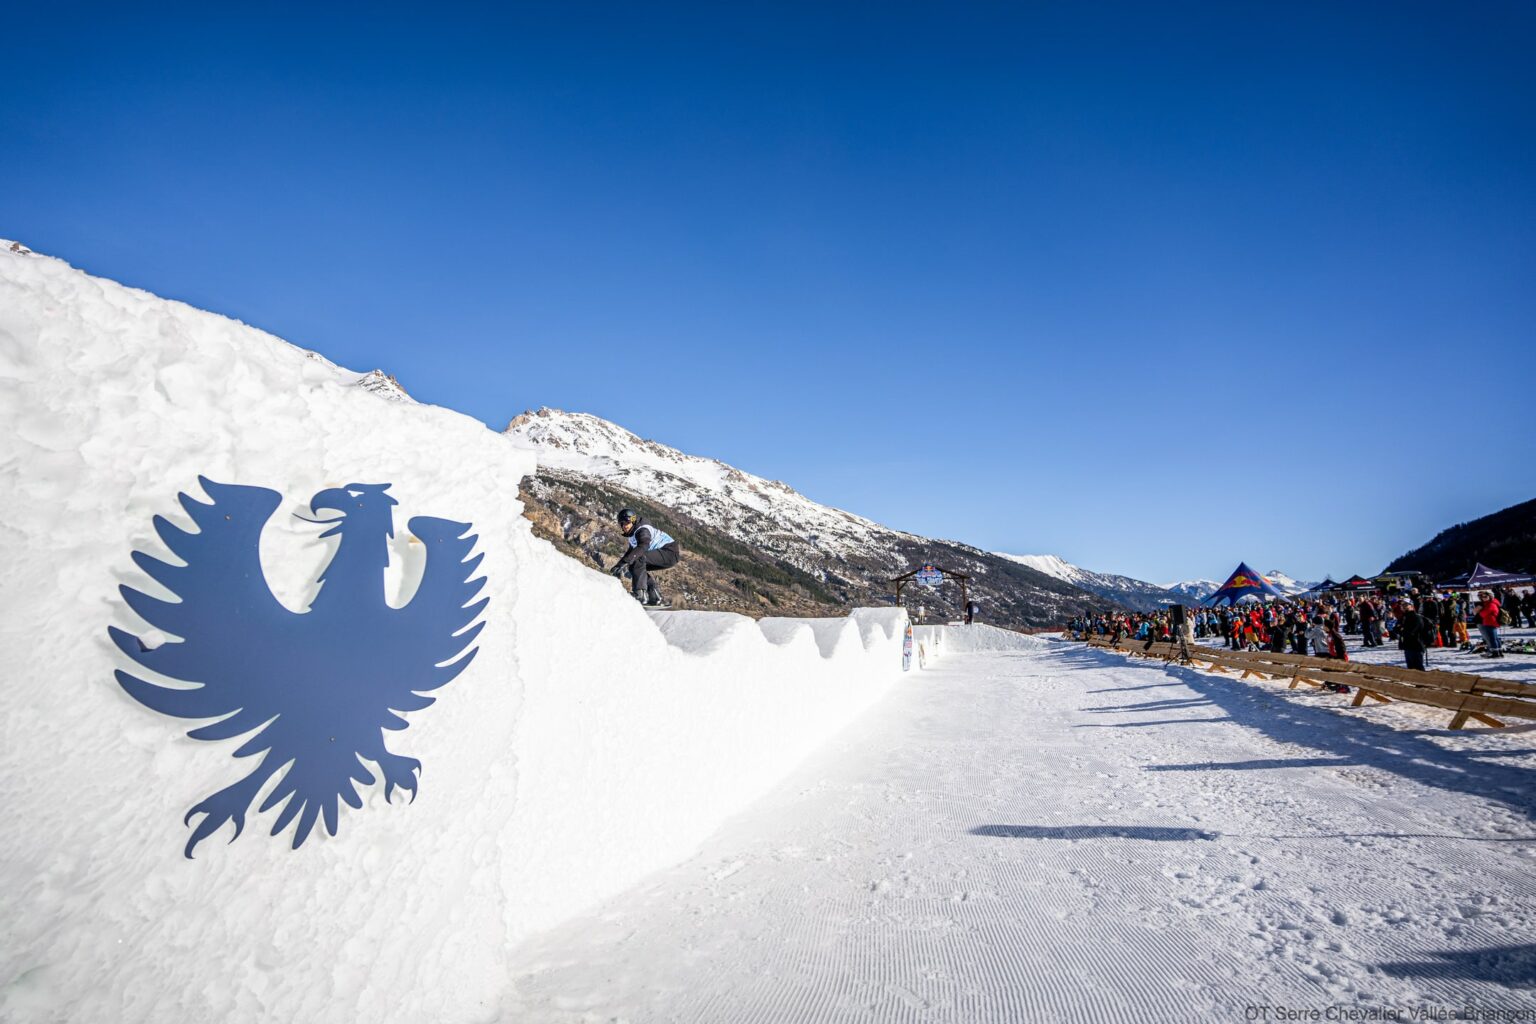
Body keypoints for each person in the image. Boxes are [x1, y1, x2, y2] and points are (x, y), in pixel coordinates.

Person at [609, 508, 681, 607]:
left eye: (626, 522)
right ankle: (654, 596)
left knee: (638, 559)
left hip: (670, 552)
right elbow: (631, 552)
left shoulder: (642, 530)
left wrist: (627, 561)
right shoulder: (633, 534)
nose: (624, 526)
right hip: (667, 553)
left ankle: (640, 595)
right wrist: (619, 565)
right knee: (634, 564)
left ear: (633, 521)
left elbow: (643, 546)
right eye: (621, 523)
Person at [1397, 599, 1433, 672]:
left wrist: (1401, 630)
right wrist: (1401, 630)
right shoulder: (1403, 617)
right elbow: (1395, 629)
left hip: (1416, 645)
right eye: (1402, 605)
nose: (1404, 607)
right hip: (1407, 645)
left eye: (1406, 605)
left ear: (1411, 606)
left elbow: (1411, 632)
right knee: (1410, 669)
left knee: (1418, 669)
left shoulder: (1416, 617)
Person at [1475, 590, 1504, 658]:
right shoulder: (1488, 603)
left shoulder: (1491, 604)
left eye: (1485, 596)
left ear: (1490, 596)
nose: (1483, 598)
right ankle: (1499, 652)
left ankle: (1495, 653)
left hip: (1490, 622)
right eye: (1482, 597)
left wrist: (1479, 612)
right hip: (1489, 622)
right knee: (1495, 638)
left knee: (1492, 638)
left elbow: (1483, 613)